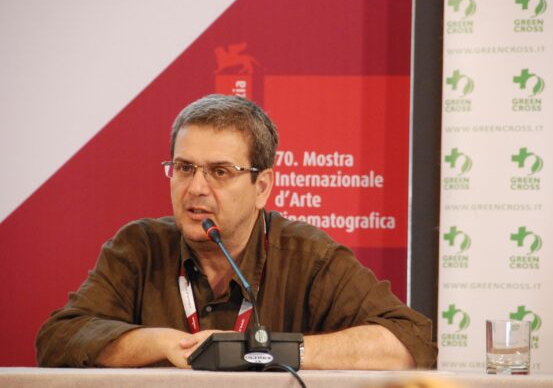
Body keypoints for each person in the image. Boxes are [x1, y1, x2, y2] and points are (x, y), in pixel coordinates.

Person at [36, 94, 437, 369]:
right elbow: (60, 338)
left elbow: (409, 341)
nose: (195, 188)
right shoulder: (139, 249)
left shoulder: (309, 258)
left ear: (261, 187)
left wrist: (268, 350)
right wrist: (165, 344)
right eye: (184, 168)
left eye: (220, 172)